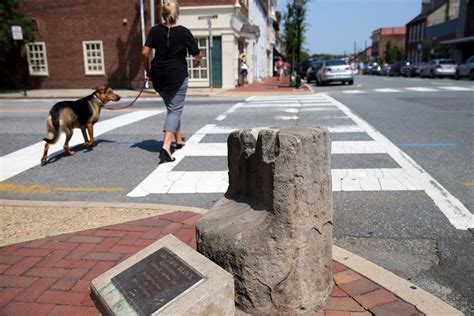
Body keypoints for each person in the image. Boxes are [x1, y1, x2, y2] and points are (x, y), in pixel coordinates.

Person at [141, 0, 202, 162]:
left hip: (159, 76)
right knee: (175, 110)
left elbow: (144, 53)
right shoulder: (184, 32)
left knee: (172, 108)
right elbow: (197, 53)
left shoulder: (154, 31)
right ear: (177, 14)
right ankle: (166, 147)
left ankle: (179, 139)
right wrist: (198, 60)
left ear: (163, 14)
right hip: (177, 75)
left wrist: (148, 71)